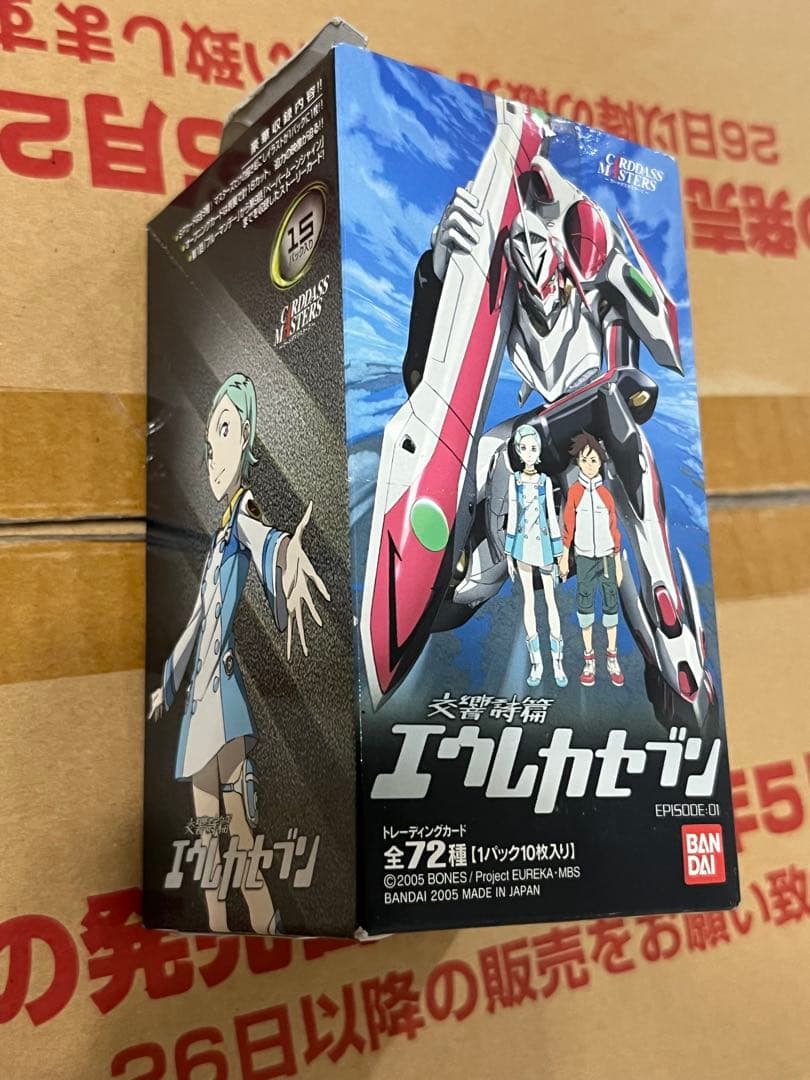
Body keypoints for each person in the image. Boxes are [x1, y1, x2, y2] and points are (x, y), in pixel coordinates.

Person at [147, 372, 329, 934]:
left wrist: (287, 556)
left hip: (222, 703)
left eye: (224, 432)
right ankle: (222, 927)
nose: (213, 456)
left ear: (246, 434)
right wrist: (166, 684)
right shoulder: (216, 540)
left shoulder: (243, 513)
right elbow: (195, 623)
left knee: (236, 828)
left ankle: (262, 921)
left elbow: (264, 538)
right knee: (209, 836)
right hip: (198, 705)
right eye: (208, 445)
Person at [560, 432, 624, 689]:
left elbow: (613, 528)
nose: (589, 464)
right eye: (585, 459)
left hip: (607, 556)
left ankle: (612, 657)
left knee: (611, 606)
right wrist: (565, 556)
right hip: (585, 558)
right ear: (578, 461)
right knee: (585, 608)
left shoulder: (606, 495)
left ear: (600, 463)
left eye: (594, 460)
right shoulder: (575, 493)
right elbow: (569, 526)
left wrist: (617, 561)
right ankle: (589, 660)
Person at [505, 424, 567, 688]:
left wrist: (559, 552)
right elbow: (513, 516)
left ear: (539, 451)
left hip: (544, 548)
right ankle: (537, 664)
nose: (529, 453)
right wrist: (508, 553)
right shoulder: (514, 481)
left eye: (533, 448)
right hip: (521, 546)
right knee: (528, 601)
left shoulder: (545, 481)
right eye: (524, 448)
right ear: (518, 451)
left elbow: (552, 518)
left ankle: (558, 663)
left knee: (551, 602)